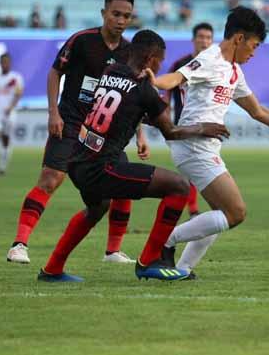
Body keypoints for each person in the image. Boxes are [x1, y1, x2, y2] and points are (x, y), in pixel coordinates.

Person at [37, 30, 230, 283]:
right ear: (151, 58)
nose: (160, 66)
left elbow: (125, 107)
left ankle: (52, 269)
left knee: (96, 208)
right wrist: (204, 128)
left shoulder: (111, 71)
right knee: (179, 187)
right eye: (160, 60)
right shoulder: (144, 90)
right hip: (101, 167)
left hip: (78, 158)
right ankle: (149, 261)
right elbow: (170, 131)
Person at [147, 7, 269, 277]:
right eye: (253, 46)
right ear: (239, 39)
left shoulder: (234, 72)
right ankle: (165, 243)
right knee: (236, 212)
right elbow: (177, 78)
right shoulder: (210, 58)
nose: (254, 53)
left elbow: (259, 112)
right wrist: (155, 80)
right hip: (193, 145)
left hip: (204, 147)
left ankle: (182, 268)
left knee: (220, 215)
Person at [7, 0, 149, 265]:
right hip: (70, 122)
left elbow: (133, 95)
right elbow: (54, 72)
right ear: (104, 13)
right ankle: (19, 244)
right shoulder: (82, 41)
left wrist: (140, 133)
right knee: (50, 179)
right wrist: (53, 113)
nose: (120, 20)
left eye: (126, 16)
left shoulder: (129, 52)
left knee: (124, 184)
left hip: (105, 131)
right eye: (116, 14)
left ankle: (113, 251)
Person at [162, 22, 214, 217]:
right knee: (191, 169)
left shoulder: (215, 67)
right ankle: (194, 210)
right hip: (184, 125)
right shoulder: (180, 65)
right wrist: (165, 114)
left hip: (206, 125)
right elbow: (167, 91)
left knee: (199, 167)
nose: (204, 41)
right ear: (193, 39)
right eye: (201, 37)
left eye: (208, 38)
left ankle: (195, 209)